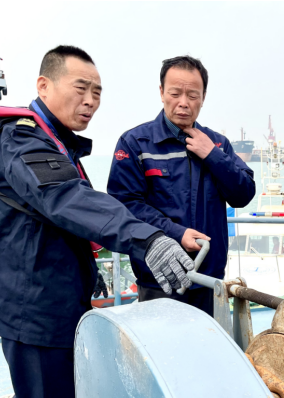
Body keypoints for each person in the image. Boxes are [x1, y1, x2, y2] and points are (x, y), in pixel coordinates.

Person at [0, 46, 195, 398]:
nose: (90, 101)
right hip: (33, 310)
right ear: (44, 86)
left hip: (50, 297)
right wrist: (147, 239)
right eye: (81, 88)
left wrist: (88, 268)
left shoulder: (56, 142)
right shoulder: (21, 138)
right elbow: (66, 199)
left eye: (98, 92)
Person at [107, 56, 256, 316]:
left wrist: (212, 155)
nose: (183, 102)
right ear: (161, 92)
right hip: (158, 281)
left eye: (193, 95)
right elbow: (125, 204)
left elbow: (243, 195)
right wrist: (176, 233)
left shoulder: (217, 144)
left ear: (203, 97)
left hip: (209, 281)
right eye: (175, 93)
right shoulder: (135, 143)